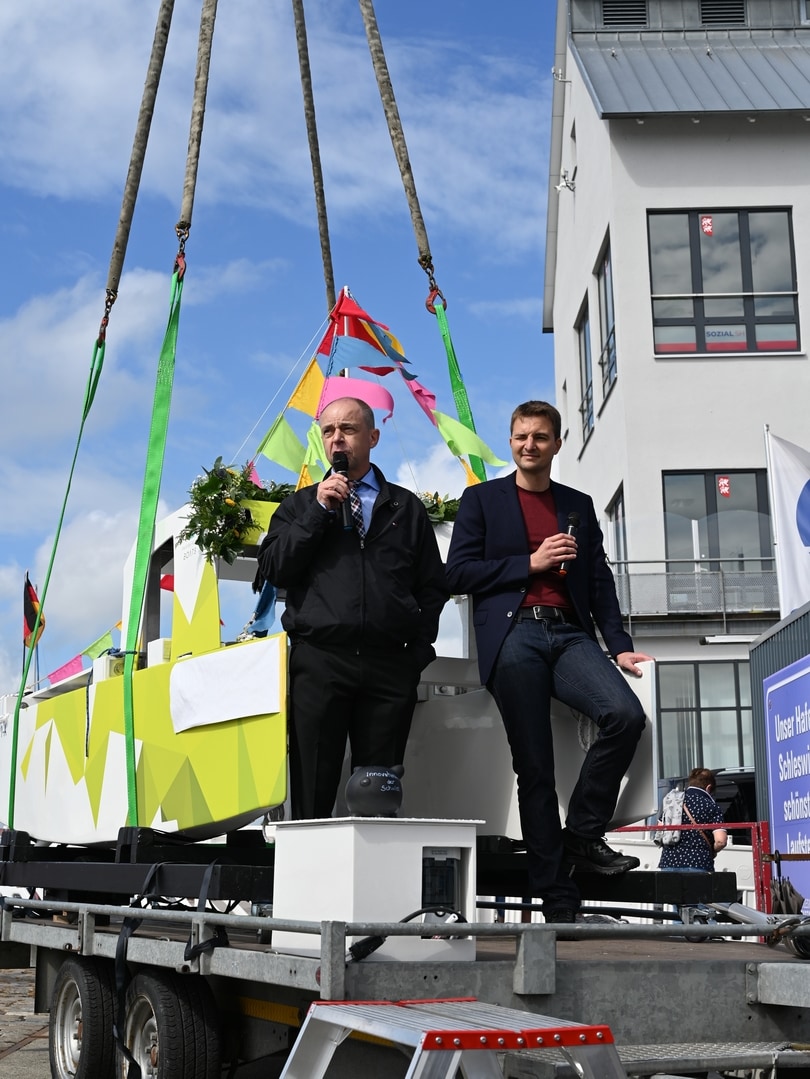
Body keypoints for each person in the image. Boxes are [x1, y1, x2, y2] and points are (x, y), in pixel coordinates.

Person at [445, 400, 654, 924]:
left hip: (569, 634)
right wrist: (529, 564)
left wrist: (619, 642)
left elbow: (600, 581)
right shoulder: (481, 500)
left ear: (557, 443)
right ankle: (556, 897)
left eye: (540, 437)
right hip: (514, 633)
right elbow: (456, 575)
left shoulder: (577, 504)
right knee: (534, 767)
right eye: (520, 437)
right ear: (511, 440)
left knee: (625, 716)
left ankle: (583, 834)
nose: (529, 445)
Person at [257, 396, 448, 819]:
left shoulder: (406, 508)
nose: (337, 439)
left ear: (373, 437)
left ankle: (374, 881)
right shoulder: (299, 506)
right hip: (321, 662)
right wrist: (320, 512)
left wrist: (417, 653)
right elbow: (275, 568)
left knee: (378, 796)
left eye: (348, 429)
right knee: (312, 787)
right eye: (328, 431)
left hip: (388, 666)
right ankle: (310, 881)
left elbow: (433, 586)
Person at [658, 768, 728, 873]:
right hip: (698, 863)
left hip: (669, 862)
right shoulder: (711, 806)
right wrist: (712, 851)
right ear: (708, 787)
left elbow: (660, 830)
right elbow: (720, 841)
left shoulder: (672, 801)